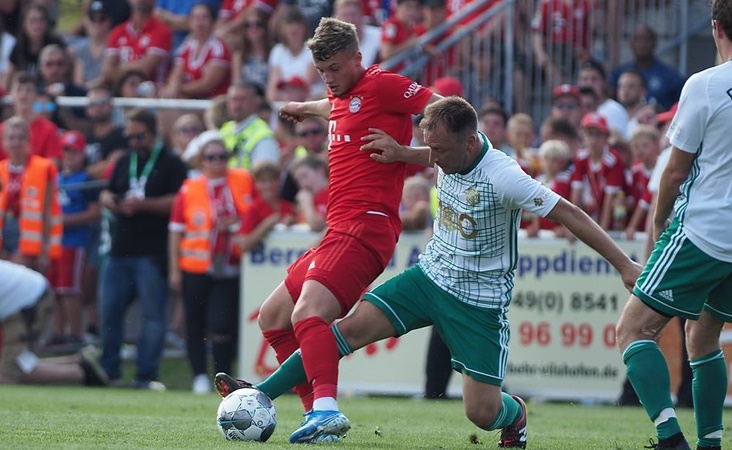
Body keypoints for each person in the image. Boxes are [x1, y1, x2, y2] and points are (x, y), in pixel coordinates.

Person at [215, 96, 642, 446]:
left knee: (481, 412)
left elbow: (570, 213)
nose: (432, 158)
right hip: (430, 276)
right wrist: (404, 153)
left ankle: (516, 415)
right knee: (341, 331)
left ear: (471, 143)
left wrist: (624, 265)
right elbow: (431, 151)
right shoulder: (447, 149)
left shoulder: (505, 175)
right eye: (428, 148)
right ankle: (255, 395)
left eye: (439, 151)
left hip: (479, 301)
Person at [216, 16, 440, 443]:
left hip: (366, 227)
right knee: (273, 317)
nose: (329, 80)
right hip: (339, 229)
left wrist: (406, 153)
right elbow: (337, 104)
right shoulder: (345, 93)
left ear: (358, 57)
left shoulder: (383, 85)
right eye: (321, 72)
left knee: (308, 313)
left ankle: (326, 408)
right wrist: (305, 107)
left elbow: (452, 114)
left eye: (335, 69)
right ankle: (313, 417)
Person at [615, 2, 732, 448]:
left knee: (632, 328)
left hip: (703, 230)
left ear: (716, 26)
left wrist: (661, 220)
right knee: (703, 337)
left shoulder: (705, 85)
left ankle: (669, 437)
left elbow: (674, 170)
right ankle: (710, 444)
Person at [98, 108, 188, 390]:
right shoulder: (125, 160)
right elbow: (105, 191)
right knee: (109, 311)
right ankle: (108, 372)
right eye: (130, 136)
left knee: (153, 317)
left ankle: (145, 376)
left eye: (140, 136)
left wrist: (142, 205)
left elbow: (178, 201)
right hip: (119, 250)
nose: (134, 142)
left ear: (153, 133)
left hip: (153, 251)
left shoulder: (173, 163)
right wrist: (111, 201)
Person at [169, 138, 255, 394]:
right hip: (196, 266)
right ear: (202, 160)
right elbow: (175, 231)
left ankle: (224, 377)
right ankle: (198, 376)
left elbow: (254, 211)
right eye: (211, 157)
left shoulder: (242, 179)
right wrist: (174, 270)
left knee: (221, 325)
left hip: (230, 266)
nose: (217, 162)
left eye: (222, 156)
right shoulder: (189, 188)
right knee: (194, 323)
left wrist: (236, 223)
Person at [0, 259, 109, 386]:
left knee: (8, 375)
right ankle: (79, 362)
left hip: (28, 302)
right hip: (24, 299)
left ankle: (82, 372)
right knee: (13, 365)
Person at [45, 131, 101, 349]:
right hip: (55, 243)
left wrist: (64, 221)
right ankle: (58, 332)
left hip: (75, 242)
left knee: (70, 290)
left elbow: (95, 212)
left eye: (74, 152)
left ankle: (75, 334)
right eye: (66, 151)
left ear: (82, 154)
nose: (69, 156)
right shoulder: (56, 178)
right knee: (55, 291)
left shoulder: (87, 180)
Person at [0, 116, 62, 272]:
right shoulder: (1, 169)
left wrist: (45, 249)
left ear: (28, 140)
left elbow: (48, 211)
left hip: (27, 238)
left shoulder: (43, 168)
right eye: (11, 138)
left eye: (20, 138)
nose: (16, 143)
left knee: (16, 280)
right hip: (4, 232)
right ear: (4, 141)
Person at [608, 24, 685, 110]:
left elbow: (682, 104)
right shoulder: (619, 73)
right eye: (638, 39)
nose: (642, 44)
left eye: (647, 39)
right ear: (631, 44)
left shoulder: (670, 75)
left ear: (655, 43)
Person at [219, 81, 280, 170]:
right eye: (233, 99)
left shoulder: (263, 135)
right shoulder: (225, 129)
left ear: (255, 103)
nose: (237, 105)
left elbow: (265, 176)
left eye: (242, 100)